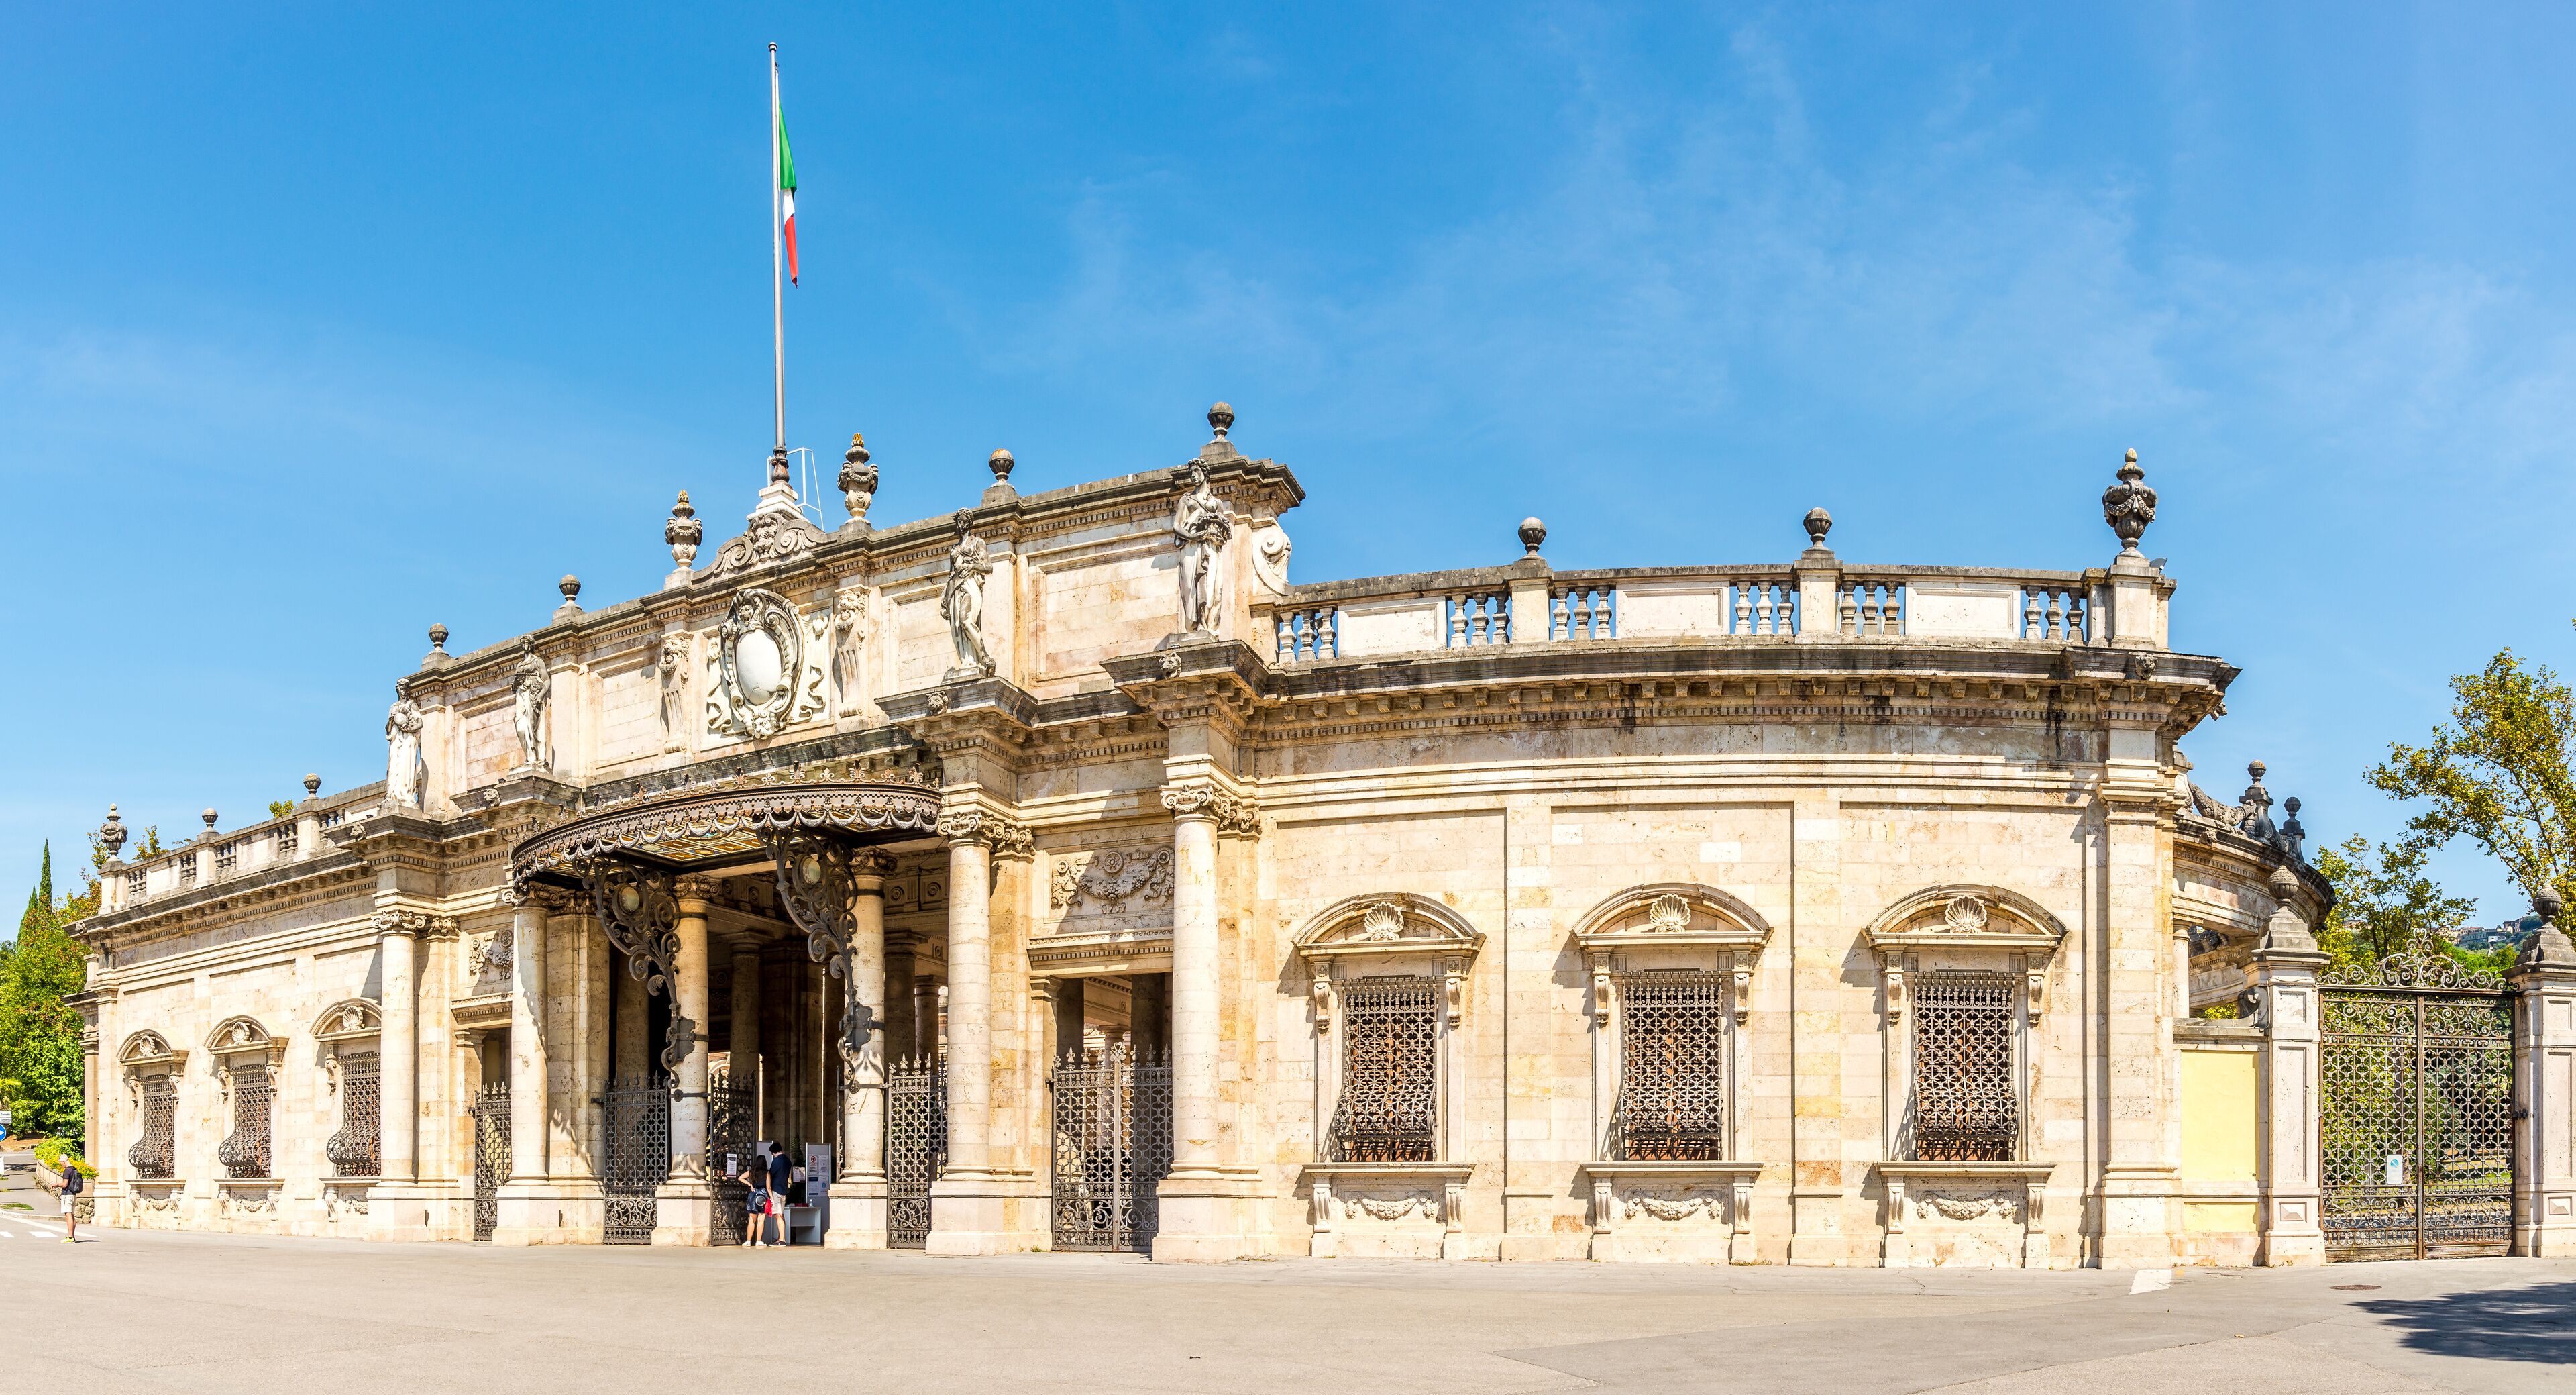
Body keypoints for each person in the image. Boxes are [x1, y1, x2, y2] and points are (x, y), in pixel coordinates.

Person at [737, 1152, 772, 1247]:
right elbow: (768, 1188)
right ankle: (759, 1241)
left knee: (752, 1220)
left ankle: (748, 1241)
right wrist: (772, 1198)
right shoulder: (767, 1173)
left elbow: (740, 1178)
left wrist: (750, 1184)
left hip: (753, 1196)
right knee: (761, 1220)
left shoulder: (751, 1171)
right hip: (762, 1197)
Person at [765, 1143, 796, 1247]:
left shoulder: (777, 1161)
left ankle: (782, 1240)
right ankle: (781, 1237)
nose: (773, 1155)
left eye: (772, 1154)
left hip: (776, 1190)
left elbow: (771, 1174)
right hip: (783, 1189)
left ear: (774, 1152)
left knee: (778, 1215)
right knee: (781, 1214)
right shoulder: (788, 1161)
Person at [57, 1157, 84, 1243]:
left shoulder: (67, 1170)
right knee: (72, 1215)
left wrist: (56, 1184)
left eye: (61, 1163)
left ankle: (70, 1237)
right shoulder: (74, 1169)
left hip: (67, 1195)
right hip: (73, 1194)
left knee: (68, 1215)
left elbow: (65, 1184)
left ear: (64, 1161)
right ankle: (72, 1236)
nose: (62, 1165)